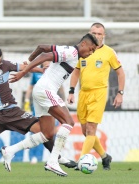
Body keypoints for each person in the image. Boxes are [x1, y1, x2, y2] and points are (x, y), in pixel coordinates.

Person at [0, 44, 75, 178]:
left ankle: (58, 157)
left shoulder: (5, 65)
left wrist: (40, 70)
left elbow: (24, 67)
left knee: (44, 130)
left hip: (12, 111)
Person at [0, 33, 99, 177]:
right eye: (91, 49)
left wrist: (28, 60)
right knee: (69, 122)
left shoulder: (68, 51)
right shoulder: (71, 52)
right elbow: (44, 56)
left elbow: (41, 48)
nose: (90, 53)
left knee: (47, 134)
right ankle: (53, 161)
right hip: (46, 89)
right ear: (83, 44)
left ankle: (10, 151)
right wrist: (24, 71)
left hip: (41, 90)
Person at [67, 23, 125, 170]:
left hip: (99, 93)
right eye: (94, 33)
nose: (97, 36)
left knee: (91, 129)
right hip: (83, 94)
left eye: (100, 34)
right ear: (89, 33)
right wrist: (71, 91)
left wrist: (120, 93)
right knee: (86, 131)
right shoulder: (84, 51)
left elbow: (120, 73)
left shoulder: (109, 52)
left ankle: (81, 161)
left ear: (103, 36)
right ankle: (105, 157)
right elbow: (76, 71)